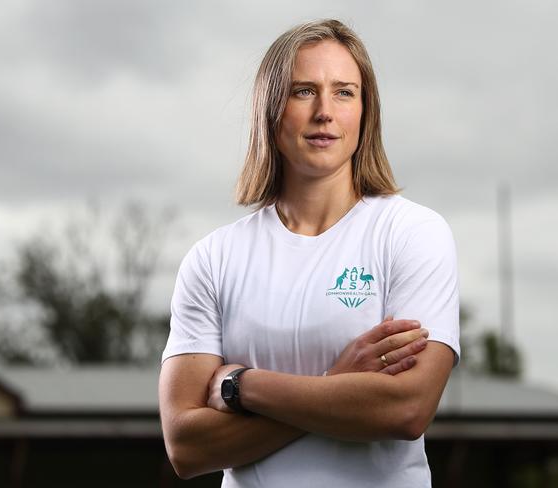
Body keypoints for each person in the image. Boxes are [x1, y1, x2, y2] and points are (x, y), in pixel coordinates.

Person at [159, 18, 459, 487]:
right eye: (304, 91)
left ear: (366, 111)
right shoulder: (213, 258)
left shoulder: (413, 233)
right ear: (271, 108)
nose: (324, 111)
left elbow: (406, 409)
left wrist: (241, 386)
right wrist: (338, 383)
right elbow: (186, 446)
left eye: (344, 92)